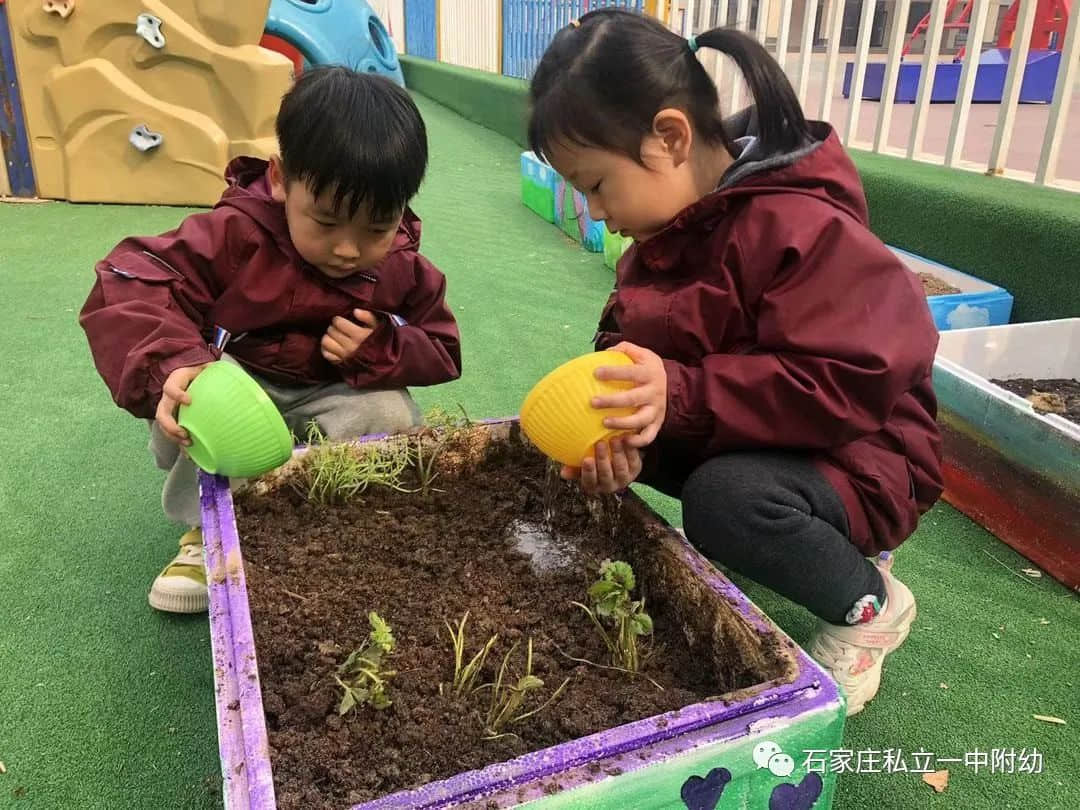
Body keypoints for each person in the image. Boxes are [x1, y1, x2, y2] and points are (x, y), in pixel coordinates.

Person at [528, 10, 942, 715]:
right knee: (627, 420)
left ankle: (870, 603)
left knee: (725, 501)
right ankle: (798, 535)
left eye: (596, 184)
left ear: (670, 137)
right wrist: (624, 427)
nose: (595, 213)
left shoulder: (801, 226)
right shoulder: (665, 236)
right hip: (762, 434)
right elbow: (631, 351)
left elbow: (843, 384)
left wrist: (680, 393)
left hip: (864, 451)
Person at [81, 67, 461, 614]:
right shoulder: (234, 234)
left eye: (376, 228)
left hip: (328, 387)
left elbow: (442, 344)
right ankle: (204, 531)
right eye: (326, 222)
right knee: (204, 397)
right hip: (240, 381)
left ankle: (338, 515)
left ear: (402, 208)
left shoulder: (401, 265)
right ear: (282, 179)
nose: (350, 250)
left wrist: (379, 346)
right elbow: (130, 279)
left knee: (391, 412)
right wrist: (174, 361)